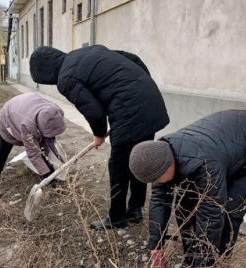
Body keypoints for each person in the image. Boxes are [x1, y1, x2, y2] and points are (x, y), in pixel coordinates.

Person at [29, 45, 169, 229]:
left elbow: (94, 111)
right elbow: (133, 59)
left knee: (118, 164)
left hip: (130, 110)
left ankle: (117, 218)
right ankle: (135, 209)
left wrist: (99, 133)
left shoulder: (66, 79)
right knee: (138, 156)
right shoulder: (87, 51)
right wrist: (141, 86)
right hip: (150, 99)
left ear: (45, 74)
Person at [129, 110, 246, 268]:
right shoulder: (159, 156)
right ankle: (190, 262)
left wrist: (204, 263)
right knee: (186, 207)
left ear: (168, 166)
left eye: (156, 179)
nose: (155, 184)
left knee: (229, 211)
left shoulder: (203, 165)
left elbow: (211, 213)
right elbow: (159, 201)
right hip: (226, 144)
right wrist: (156, 244)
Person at [0, 93, 66, 192]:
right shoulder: (28, 125)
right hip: (9, 116)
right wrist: (48, 179)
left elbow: (49, 141)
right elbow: (33, 154)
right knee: (2, 151)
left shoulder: (55, 111)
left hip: (26, 106)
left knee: (44, 145)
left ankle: (51, 171)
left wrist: (59, 161)